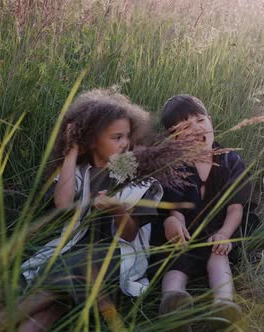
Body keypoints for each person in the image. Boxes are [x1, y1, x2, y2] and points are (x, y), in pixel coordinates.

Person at [13, 89, 162, 331]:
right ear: (92, 140)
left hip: (114, 257)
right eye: (116, 137)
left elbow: (129, 235)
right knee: (52, 306)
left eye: (127, 136)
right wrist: (72, 151)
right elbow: (63, 204)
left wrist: (117, 209)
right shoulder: (80, 173)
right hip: (76, 250)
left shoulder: (137, 175)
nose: (125, 143)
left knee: (69, 271)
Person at [149, 95, 253, 331]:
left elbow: (235, 207)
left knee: (219, 255)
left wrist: (225, 234)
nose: (196, 129)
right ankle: (173, 302)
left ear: (210, 121)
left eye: (199, 120)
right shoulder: (174, 166)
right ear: (174, 138)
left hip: (219, 228)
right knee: (175, 258)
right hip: (186, 231)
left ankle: (223, 304)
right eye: (185, 127)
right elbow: (176, 209)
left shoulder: (230, 160)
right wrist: (173, 222)